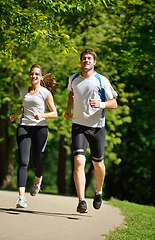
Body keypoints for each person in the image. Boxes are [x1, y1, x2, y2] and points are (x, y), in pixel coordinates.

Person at [64, 49, 117, 213]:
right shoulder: (73, 79)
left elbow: (113, 103)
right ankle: (81, 201)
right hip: (78, 125)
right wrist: (68, 109)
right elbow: (72, 94)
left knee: (98, 164)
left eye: (89, 58)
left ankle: (98, 190)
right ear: (81, 61)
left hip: (96, 128)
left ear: (94, 62)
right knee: (79, 161)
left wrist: (100, 104)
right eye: (84, 58)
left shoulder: (102, 80)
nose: (86, 61)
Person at [10, 64, 58, 208]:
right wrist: (16, 115)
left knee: (36, 162)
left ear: (41, 77)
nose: (34, 76)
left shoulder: (45, 93)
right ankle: (21, 197)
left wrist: (41, 115)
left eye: (37, 74)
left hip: (39, 129)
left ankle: (37, 181)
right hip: (23, 127)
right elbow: (24, 107)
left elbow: (54, 113)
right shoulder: (24, 91)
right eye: (32, 74)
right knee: (23, 162)